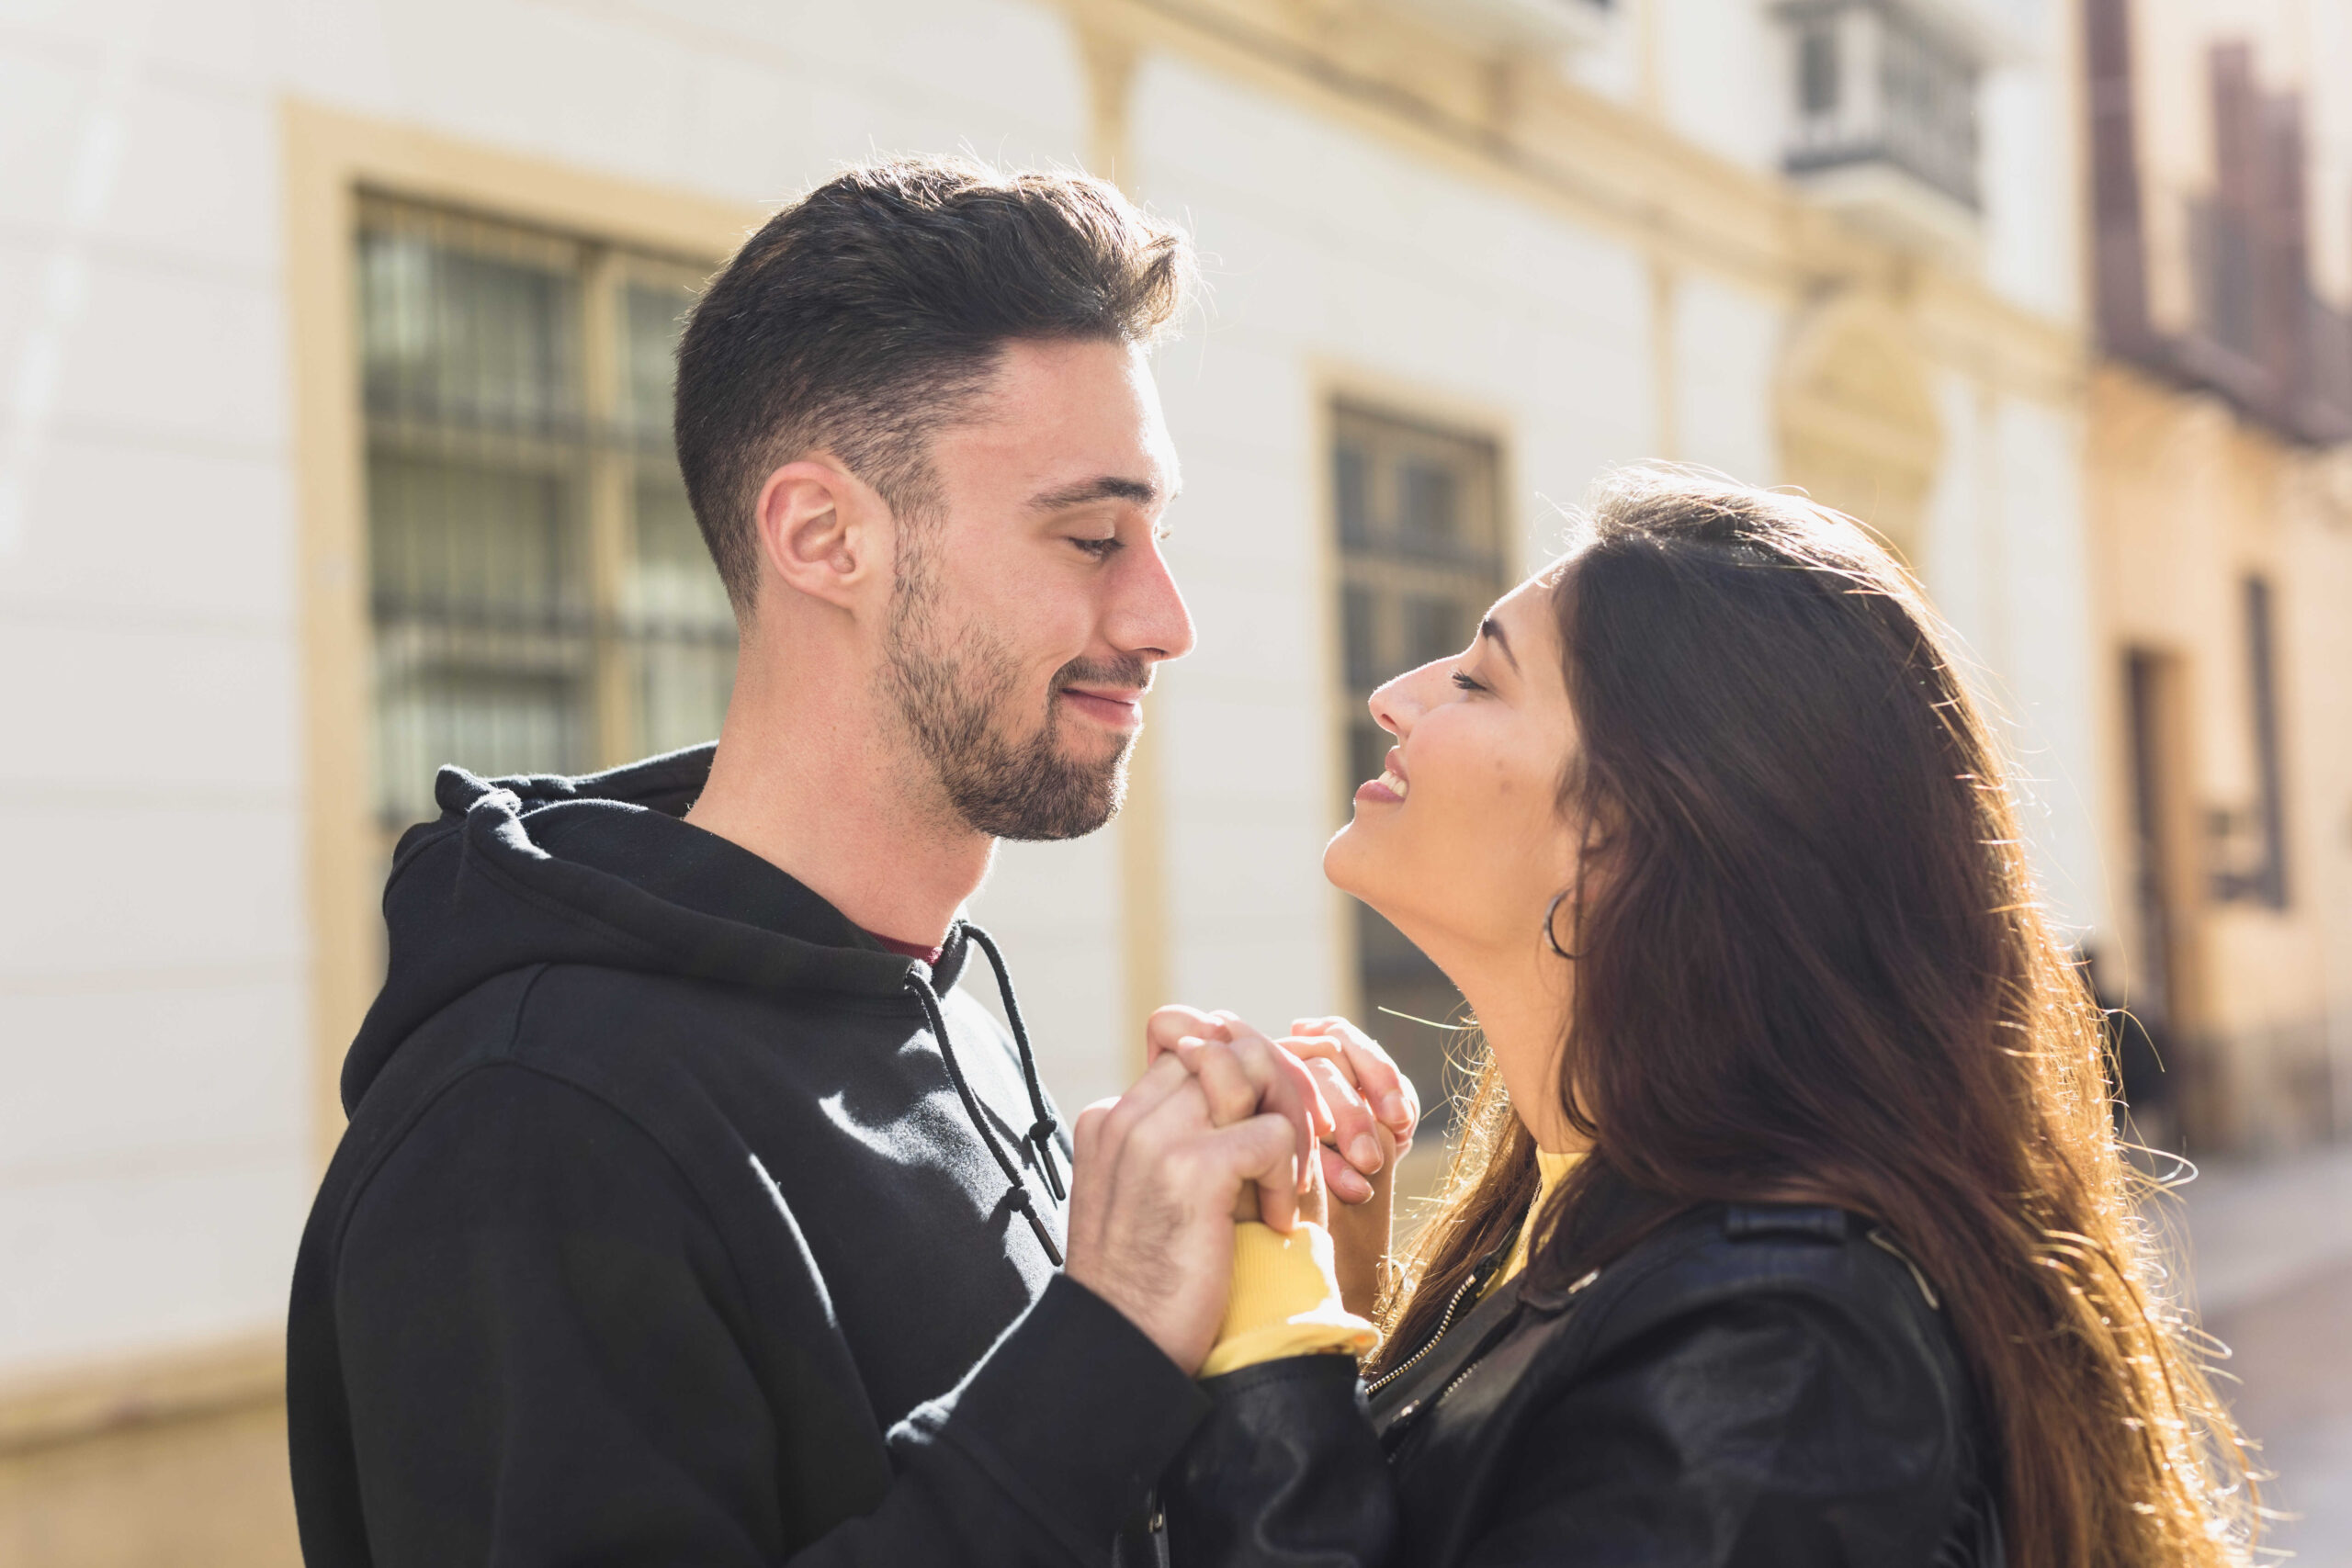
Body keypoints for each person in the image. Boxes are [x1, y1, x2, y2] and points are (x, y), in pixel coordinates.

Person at [284, 156, 1414, 1568]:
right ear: (823, 536)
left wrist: (1289, 1306)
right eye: (1089, 534)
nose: (1165, 615)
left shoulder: (930, 996)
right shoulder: (530, 1121)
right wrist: (1105, 1327)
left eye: (1158, 536)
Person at [1114, 471, 2256, 1567]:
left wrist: (1273, 1332)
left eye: (1477, 681)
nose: (1394, 695)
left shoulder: (1786, 1350)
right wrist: (1338, 1305)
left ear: (1619, 831)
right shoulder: (1566, 1217)